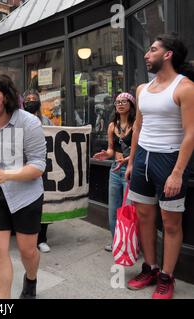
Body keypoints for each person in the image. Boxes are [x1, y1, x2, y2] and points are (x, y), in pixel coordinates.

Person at [125, 33, 194, 299]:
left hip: (169, 159)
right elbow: (137, 128)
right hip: (143, 156)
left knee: (170, 222)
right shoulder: (143, 89)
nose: (146, 54)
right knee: (144, 216)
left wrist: (177, 172)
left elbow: (190, 133)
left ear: (167, 55)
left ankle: (167, 276)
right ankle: (150, 268)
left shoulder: (184, 87)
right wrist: (132, 161)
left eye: (152, 50)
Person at [0, 74, 47, 299]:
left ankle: (31, 279)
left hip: (26, 197)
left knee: (28, 252)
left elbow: (38, 166)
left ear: (5, 97)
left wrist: (6, 175)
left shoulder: (29, 122)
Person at [93, 92, 136, 252]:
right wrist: (106, 154)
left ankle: (130, 245)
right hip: (115, 170)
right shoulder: (112, 126)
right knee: (113, 210)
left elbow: (140, 149)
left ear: (131, 105)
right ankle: (116, 242)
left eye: (124, 101)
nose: (120, 104)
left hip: (130, 171)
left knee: (128, 210)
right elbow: (112, 149)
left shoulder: (137, 124)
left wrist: (129, 159)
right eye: (117, 101)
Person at [23, 90, 52, 253]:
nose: (31, 101)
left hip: (42, 168)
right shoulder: (17, 120)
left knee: (43, 203)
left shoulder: (46, 120)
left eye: (34, 99)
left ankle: (42, 239)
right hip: (23, 168)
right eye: (28, 99)